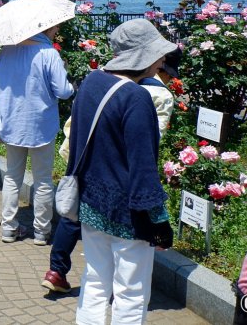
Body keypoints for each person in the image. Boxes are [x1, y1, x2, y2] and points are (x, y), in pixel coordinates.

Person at [42, 45, 182, 294]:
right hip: (122, 184)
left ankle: (56, 270)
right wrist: (159, 219)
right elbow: (147, 148)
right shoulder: (152, 96)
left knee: (78, 227)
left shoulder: (96, 80)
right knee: (130, 288)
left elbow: (74, 122)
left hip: (85, 162)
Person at [67, 19, 175, 324]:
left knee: (95, 279)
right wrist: (159, 220)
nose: (162, 61)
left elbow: (77, 140)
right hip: (129, 212)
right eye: (158, 54)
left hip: (91, 200)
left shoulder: (91, 82)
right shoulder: (136, 98)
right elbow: (143, 166)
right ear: (143, 56)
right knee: (131, 291)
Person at [0, 24, 74, 245]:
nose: (57, 30)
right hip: (40, 124)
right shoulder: (48, 53)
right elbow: (64, 91)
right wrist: (64, 74)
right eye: (55, 27)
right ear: (47, 27)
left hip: (12, 122)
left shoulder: (7, 50)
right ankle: (42, 232)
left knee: (12, 176)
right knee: (43, 180)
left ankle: (8, 228)